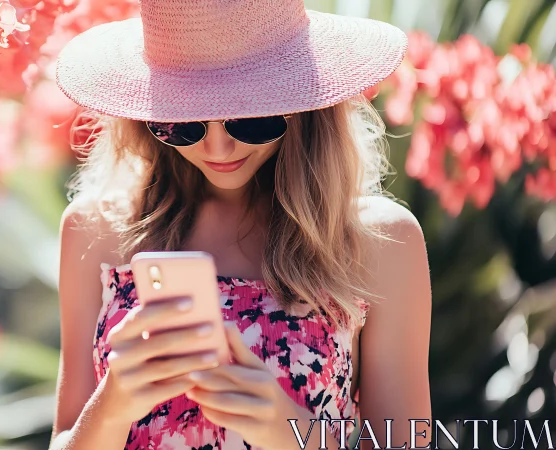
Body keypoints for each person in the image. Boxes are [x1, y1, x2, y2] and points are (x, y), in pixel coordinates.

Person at [49, 0, 432, 449]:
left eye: (251, 118)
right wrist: (111, 405)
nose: (218, 148)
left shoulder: (381, 241)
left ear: (303, 104)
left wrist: (284, 428)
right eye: (181, 122)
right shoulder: (94, 228)